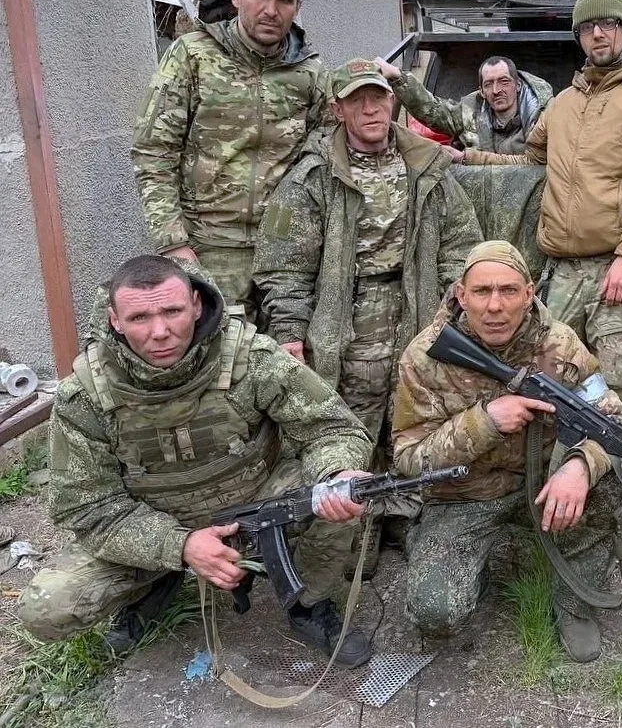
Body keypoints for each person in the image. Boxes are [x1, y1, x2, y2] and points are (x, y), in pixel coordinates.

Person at [17, 256, 375, 666]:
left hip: (257, 500)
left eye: (172, 311)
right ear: (115, 320)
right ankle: (157, 579)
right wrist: (179, 545)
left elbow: (331, 429)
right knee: (45, 609)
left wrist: (337, 470)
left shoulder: (252, 358)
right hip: (152, 519)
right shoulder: (84, 395)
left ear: (196, 305)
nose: (160, 332)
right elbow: (85, 506)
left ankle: (309, 603)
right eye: (139, 318)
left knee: (338, 495)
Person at [451, 0, 622, 434]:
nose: (598, 34)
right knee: (549, 386)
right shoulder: (563, 105)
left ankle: (606, 476)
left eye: (608, 24)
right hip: (562, 272)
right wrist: (468, 159)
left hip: (619, 272)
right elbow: (529, 163)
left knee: (620, 398)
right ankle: (559, 472)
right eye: (587, 27)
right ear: (578, 36)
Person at [392, 241, 622, 663]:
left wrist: (580, 466)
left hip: (543, 487)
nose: (495, 306)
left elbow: (618, 424)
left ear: (529, 293)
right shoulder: (425, 356)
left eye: (508, 291)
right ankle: (452, 556)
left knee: (606, 484)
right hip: (463, 497)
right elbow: (409, 459)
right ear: (461, 295)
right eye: (481, 292)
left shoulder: (560, 344)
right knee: (435, 612)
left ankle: (573, 602)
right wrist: (484, 422)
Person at [253, 59, 482, 458]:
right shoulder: (312, 177)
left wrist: (453, 311)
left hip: (419, 319)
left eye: (378, 97)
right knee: (349, 435)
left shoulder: (427, 167)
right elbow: (285, 268)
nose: (371, 109)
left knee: (417, 428)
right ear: (337, 109)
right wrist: (290, 332)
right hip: (346, 331)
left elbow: (460, 244)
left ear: (393, 101)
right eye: (357, 100)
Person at [132, 0, 325, 319]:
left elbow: (323, 156)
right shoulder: (193, 56)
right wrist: (173, 243)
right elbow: (153, 151)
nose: (271, 9)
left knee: (288, 349)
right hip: (209, 249)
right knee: (218, 349)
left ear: (297, 7)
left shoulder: (309, 72)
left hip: (286, 253)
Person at [374, 55, 553, 154]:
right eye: (488, 84)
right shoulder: (469, 111)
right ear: (481, 91)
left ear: (518, 85)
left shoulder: (543, 116)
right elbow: (433, 111)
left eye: (504, 81)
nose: (496, 90)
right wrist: (398, 77)